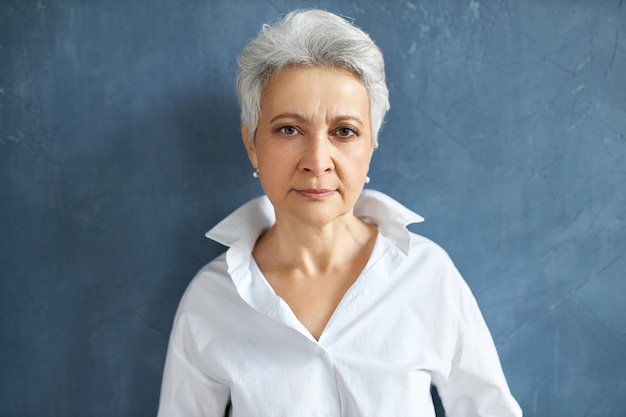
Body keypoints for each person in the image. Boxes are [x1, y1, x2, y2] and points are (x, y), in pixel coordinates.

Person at [157, 9, 522, 417]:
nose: (317, 161)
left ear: (371, 145)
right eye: (289, 129)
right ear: (251, 143)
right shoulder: (211, 300)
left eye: (344, 131)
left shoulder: (426, 274)